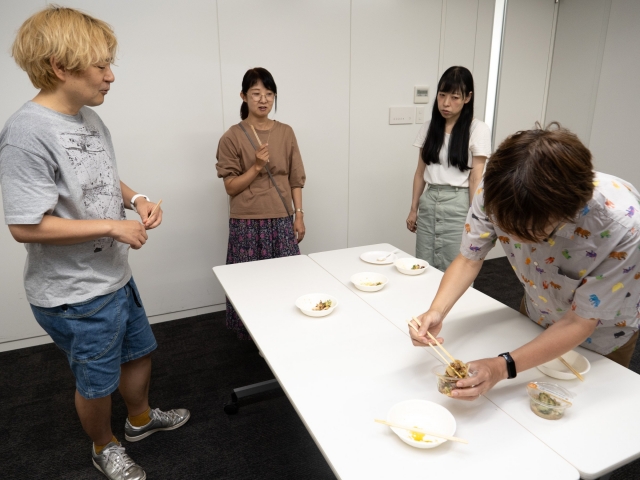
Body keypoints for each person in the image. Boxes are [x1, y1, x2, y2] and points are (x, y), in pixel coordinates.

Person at [0, 7, 189, 479]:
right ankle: (104, 447)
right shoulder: (26, 133)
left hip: (113, 276)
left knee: (138, 352)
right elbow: (25, 225)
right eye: (101, 65)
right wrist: (111, 227)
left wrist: (136, 199)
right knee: (96, 382)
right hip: (75, 294)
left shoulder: (86, 119)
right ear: (60, 67)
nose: (110, 76)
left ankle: (140, 421)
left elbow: (99, 178)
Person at [409, 124, 640, 400]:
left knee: (589, 408)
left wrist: (501, 367)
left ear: (568, 212)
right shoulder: (497, 188)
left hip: (602, 337)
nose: (513, 239)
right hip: (536, 312)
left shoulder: (624, 229)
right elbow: (469, 258)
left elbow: (579, 322)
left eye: (530, 233)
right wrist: (437, 310)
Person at [216, 67, 306, 340]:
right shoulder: (232, 137)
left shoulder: (286, 132)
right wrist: (256, 166)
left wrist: (299, 215)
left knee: (286, 281)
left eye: (269, 93)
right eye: (256, 93)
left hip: (281, 218)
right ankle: (254, 339)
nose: (263, 99)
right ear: (243, 96)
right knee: (249, 284)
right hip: (246, 221)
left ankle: (283, 333)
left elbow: (295, 179)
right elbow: (230, 187)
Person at [406, 66, 492, 271]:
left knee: (456, 267)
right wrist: (413, 209)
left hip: (459, 204)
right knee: (423, 264)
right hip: (429, 201)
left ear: (467, 97)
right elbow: (420, 173)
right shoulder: (428, 127)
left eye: (454, 97)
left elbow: (476, 178)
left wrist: (475, 218)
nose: (446, 103)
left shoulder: (478, 129)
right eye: (442, 95)